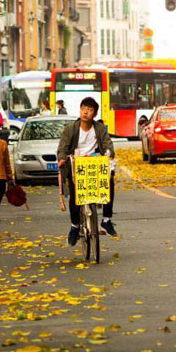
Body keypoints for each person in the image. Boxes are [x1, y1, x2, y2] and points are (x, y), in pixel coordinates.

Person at [57, 97, 117, 245]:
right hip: (75, 164)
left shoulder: (99, 128)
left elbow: (107, 144)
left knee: (108, 182)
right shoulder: (70, 128)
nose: (86, 112)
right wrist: (62, 158)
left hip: (94, 163)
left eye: (90, 110)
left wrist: (109, 154)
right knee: (75, 195)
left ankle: (106, 220)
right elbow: (62, 147)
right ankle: (74, 226)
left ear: (94, 114)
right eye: (84, 108)